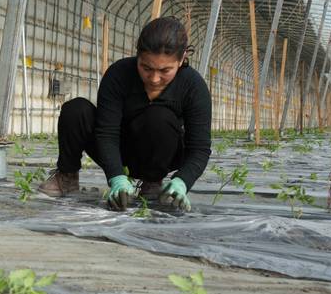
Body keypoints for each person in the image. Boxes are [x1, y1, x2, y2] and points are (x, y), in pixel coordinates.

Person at [37, 16, 212, 212]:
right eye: (146, 68)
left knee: (158, 117)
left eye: (165, 70)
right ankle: (67, 177)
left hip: (161, 153)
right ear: (138, 56)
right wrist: (116, 176)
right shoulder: (119, 75)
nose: (154, 78)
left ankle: (152, 182)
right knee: (76, 110)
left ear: (181, 60)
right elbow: (106, 132)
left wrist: (183, 181)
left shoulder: (193, 86)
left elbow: (200, 148)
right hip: (119, 151)